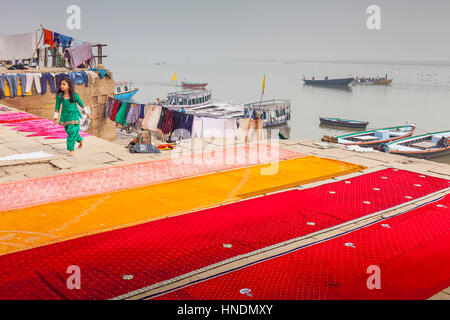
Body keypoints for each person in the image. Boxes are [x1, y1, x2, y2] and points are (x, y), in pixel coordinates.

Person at [53, 78, 92, 156]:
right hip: (65, 117)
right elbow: (57, 107)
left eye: (64, 84)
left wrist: (88, 114)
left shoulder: (74, 95)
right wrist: (55, 118)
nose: (61, 86)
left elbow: (82, 105)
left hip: (74, 116)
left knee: (72, 132)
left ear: (69, 86)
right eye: (61, 84)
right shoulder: (60, 96)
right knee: (69, 132)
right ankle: (81, 140)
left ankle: (71, 149)